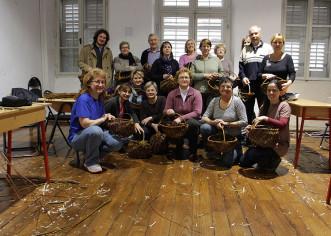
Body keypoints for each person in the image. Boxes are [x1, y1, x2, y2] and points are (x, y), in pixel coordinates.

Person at [68, 68, 123, 173]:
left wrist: (106, 115)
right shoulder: (83, 99)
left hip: (93, 134)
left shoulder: (99, 99)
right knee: (96, 130)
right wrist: (102, 118)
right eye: (97, 81)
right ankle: (90, 162)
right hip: (77, 138)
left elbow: (99, 117)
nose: (101, 85)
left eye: (103, 82)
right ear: (89, 83)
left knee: (116, 142)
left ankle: (92, 155)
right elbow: (85, 124)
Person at [240, 79, 291, 171]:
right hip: (264, 142)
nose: (271, 93)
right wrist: (251, 129)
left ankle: (273, 160)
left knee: (252, 155)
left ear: (280, 92)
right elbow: (259, 127)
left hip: (278, 145)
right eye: (269, 90)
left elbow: (282, 124)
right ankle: (266, 161)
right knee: (243, 162)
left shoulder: (284, 105)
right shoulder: (264, 105)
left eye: (274, 90)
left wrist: (266, 119)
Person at [200, 77, 247, 167]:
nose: (225, 89)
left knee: (227, 162)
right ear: (219, 88)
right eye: (222, 86)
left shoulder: (237, 101)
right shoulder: (214, 101)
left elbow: (244, 122)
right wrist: (214, 122)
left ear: (232, 89)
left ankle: (238, 149)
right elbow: (204, 118)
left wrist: (227, 124)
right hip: (219, 133)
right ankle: (212, 152)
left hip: (234, 137)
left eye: (228, 87)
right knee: (204, 128)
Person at [163, 67, 203, 162]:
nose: (184, 79)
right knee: (166, 122)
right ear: (177, 80)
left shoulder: (196, 93)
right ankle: (177, 146)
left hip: (191, 121)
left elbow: (197, 112)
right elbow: (165, 110)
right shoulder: (172, 94)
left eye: (186, 77)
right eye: (181, 77)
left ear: (190, 80)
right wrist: (168, 111)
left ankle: (193, 152)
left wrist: (180, 118)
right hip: (176, 122)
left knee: (193, 124)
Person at [239, 25, 273, 124]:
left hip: (263, 84)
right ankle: (249, 134)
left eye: (256, 33)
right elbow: (241, 68)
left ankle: (262, 134)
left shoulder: (267, 48)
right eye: (251, 34)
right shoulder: (245, 50)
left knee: (263, 109)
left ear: (260, 34)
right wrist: (243, 77)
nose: (254, 36)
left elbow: (271, 66)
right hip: (248, 85)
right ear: (249, 36)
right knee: (247, 110)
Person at [190, 38, 224, 112]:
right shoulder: (195, 61)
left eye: (208, 46)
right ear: (200, 48)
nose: (206, 48)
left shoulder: (216, 60)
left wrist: (217, 76)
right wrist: (204, 75)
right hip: (198, 91)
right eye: (204, 46)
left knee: (211, 113)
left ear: (210, 48)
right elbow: (191, 75)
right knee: (199, 112)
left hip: (212, 91)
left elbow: (222, 74)